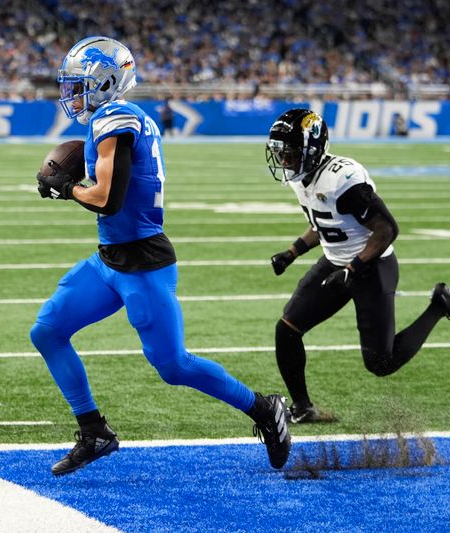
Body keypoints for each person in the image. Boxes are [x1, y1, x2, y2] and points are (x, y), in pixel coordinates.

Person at [32, 36, 291, 476]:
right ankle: (94, 431)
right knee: (48, 331)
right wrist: (72, 188)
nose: (72, 93)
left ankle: (265, 409)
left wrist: (66, 186)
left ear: (107, 81)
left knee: (173, 365)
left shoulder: (114, 117)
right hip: (110, 258)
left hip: (143, 263)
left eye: (80, 84)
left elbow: (107, 199)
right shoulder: (115, 118)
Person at [265, 108, 450, 424]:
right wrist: (293, 251)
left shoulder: (342, 180)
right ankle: (303, 407)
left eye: (291, 152)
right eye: (280, 152)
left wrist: (352, 269)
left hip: (372, 266)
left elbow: (387, 229)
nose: (284, 160)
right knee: (287, 331)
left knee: (381, 362)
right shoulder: (303, 178)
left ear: (311, 149)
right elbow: (325, 222)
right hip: (337, 263)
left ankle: (440, 304)